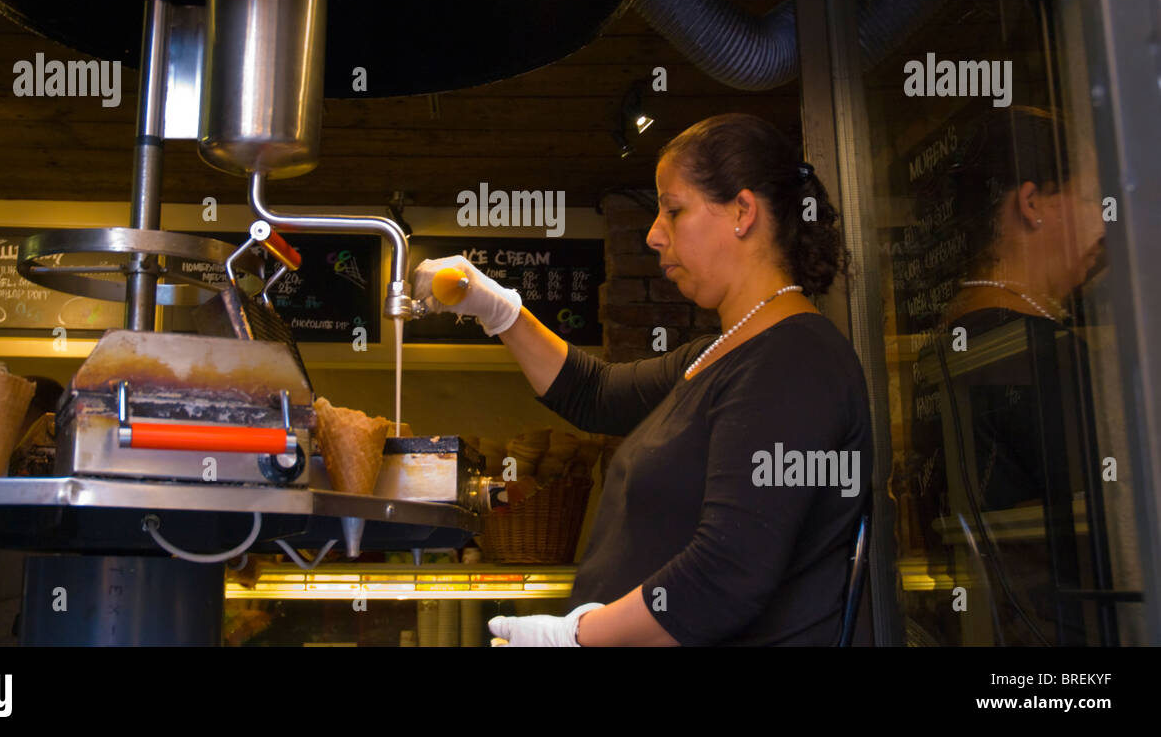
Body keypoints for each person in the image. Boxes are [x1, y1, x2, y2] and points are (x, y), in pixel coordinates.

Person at [413, 113, 872, 646]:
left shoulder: (794, 362)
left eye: (674, 211)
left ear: (743, 212)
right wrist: (496, 308)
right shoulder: (717, 355)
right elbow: (594, 394)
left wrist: (578, 635)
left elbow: (726, 574)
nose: (655, 234)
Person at [912, 106, 1108, 645]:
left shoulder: (951, 343)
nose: (1103, 221)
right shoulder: (1034, 350)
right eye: (1090, 198)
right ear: (1031, 203)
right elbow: (1119, 530)